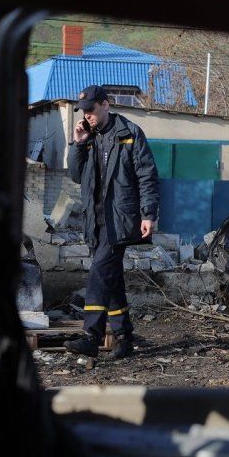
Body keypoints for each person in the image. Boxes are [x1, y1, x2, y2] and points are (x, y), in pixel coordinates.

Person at [63, 85, 159, 359]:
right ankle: (123, 338)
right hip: (95, 220)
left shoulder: (129, 133)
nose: (88, 115)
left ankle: (90, 336)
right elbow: (76, 175)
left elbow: (147, 176)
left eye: (92, 109)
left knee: (98, 273)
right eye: (84, 111)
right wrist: (78, 143)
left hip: (120, 220)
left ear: (106, 105)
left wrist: (148, 214)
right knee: (111, 280)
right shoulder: (90, 137)